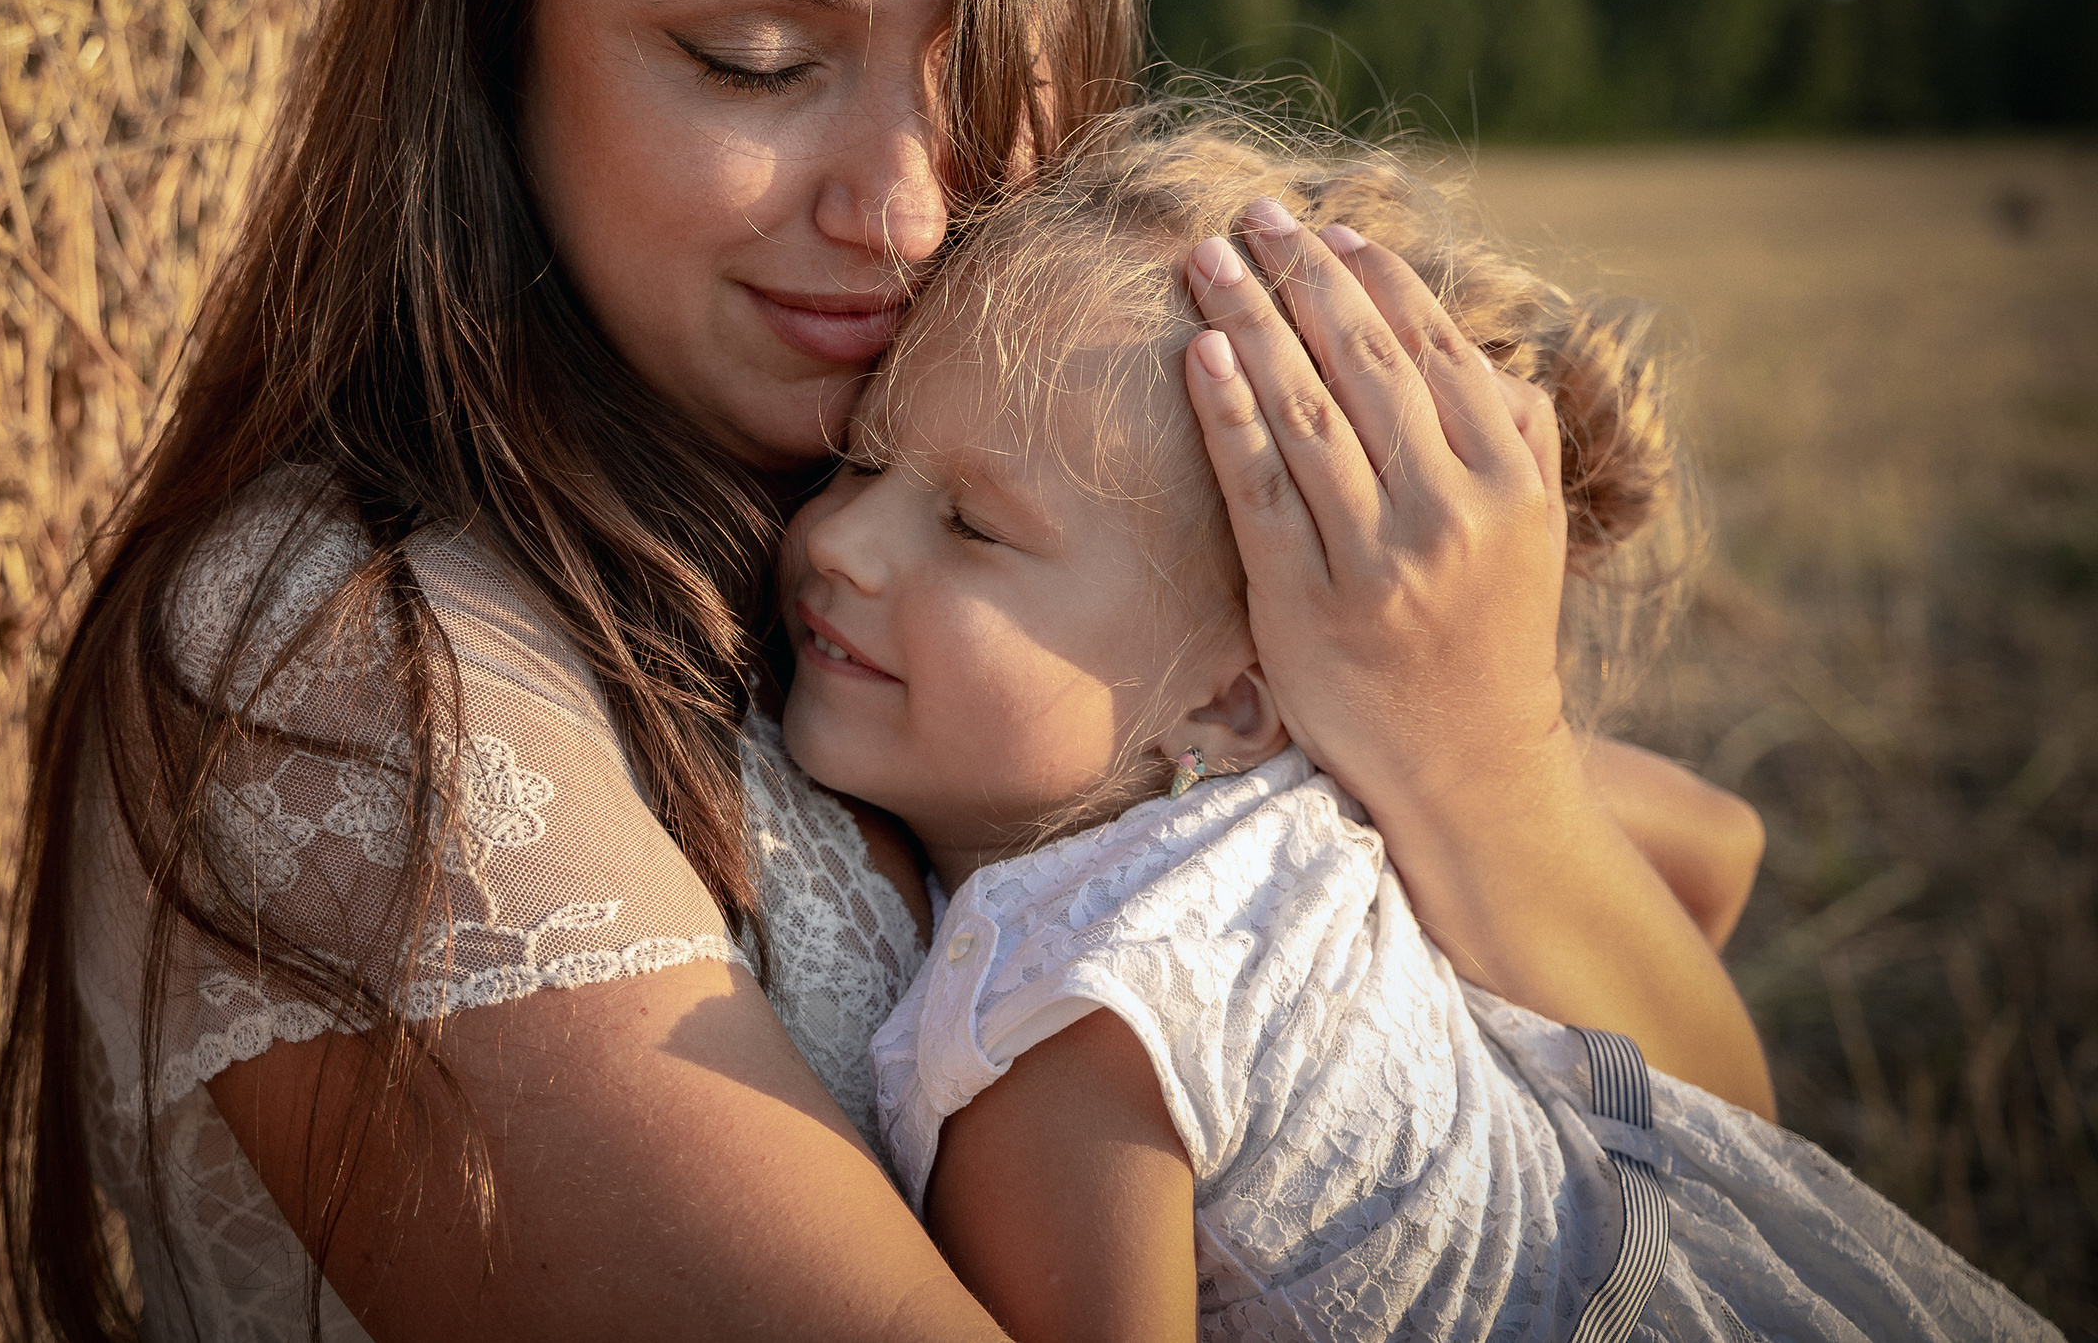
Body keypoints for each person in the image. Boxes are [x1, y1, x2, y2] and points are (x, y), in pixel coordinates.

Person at [0, 0, 1771, 1336]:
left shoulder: (1077, 596)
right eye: (759, 61)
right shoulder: (352, 657)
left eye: (991, 70)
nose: (912, 214)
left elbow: (1731, 1190)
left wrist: (1481, 761)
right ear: (490, 29)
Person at [779, 120, 2055, 1343]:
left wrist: (1475, 745)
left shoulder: (1059, 1033)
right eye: (856, 460)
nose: (836, 541)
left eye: (972, 527)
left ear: (1234, 695)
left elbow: (1718, 868)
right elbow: (1709, 844)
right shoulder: (1320, 809)